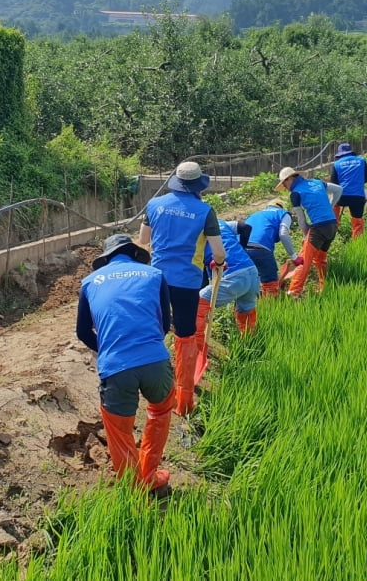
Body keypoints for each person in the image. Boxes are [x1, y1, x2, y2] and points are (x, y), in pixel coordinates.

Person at [76, 234, 174, 491]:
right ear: (134, 254)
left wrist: (110, 349)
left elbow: (83, 333)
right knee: (161, 411)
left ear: (106, 259)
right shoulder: (154, 274)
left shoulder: (89, 282)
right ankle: (149, 474)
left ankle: (133, 491)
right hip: (156, 361)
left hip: (116, 367)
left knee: (120, 432)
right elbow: (164, 324)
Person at [138, 161, 225, 416]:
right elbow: (218, 251)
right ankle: (184, 400)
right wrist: (218, 263)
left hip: (157, 278)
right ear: (198, 185)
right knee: (185, 336)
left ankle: (152, 385)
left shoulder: (155, 204)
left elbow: (143, 240)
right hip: (187, 281)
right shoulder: (205, 211)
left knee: (156, 327)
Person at [194, 219, 261, 380]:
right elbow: (245, 227)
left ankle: (196, 351)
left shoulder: (193, 231)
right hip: (251, 271)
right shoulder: (220, 223)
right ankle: (250, 348)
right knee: (245, 313)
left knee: (195, 305)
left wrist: (204, 300)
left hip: (232, 275)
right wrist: (243, 248)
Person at [275, 167, 341, 299]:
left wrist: (306, 234)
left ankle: (294, 292)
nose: (285, 187)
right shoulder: (317, 182)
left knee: (303, 260)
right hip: (332, 225)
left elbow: (301, 218)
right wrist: (331, 205)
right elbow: (339, 190)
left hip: (319, 228)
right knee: (320, 259)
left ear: (290, 178)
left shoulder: (295, 193)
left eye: (284, 183)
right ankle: (324, 287)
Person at [243, 200, 301, 297]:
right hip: (261, 249)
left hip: (242, 251)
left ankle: (246, 310)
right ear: (281, 207)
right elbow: (283, 234)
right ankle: (270, 307)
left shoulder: (253, 215)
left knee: (247, 287)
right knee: (270, 285)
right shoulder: (283, 213)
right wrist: (294, 257)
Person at [329, 142, 367, 239]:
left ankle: (334, 228)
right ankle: (357, 242)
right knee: (357, 220)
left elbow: (333, 183)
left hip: (341, 196)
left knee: (334, 204)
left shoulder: (336, 164)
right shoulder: (362, 161)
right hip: (358, 196)